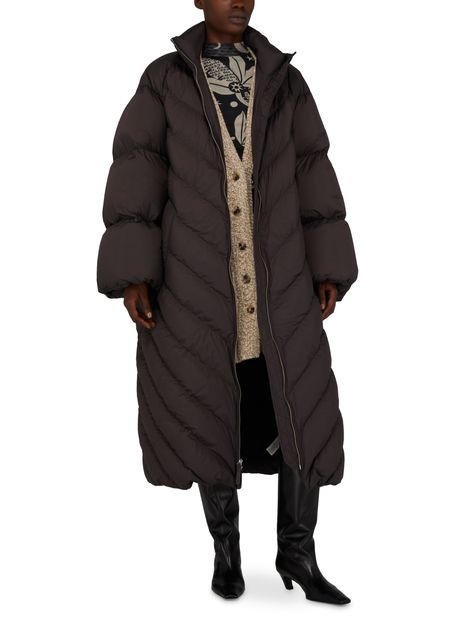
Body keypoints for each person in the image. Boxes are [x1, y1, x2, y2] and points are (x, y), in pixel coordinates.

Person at [96, 0, 358, 603]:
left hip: (280, 280)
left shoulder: (286, 82)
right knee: (209, 406)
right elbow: (137, 174)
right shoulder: (165, 80)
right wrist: (134, 274)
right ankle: (226, 552)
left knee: (302, 406)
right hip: (197, 283)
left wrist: (328, 266)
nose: (239, 0)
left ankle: (298, 553)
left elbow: (313, 171)